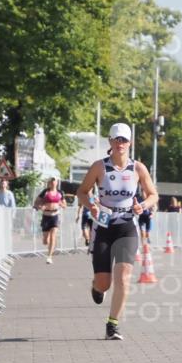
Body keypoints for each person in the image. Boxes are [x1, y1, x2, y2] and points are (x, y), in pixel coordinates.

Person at [76, 123, 157, 341]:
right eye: (116, 139)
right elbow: (82, 192)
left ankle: (112, 324)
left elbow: (153, 195)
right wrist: (91, 205)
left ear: (130, 143)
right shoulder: (99, 167)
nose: (120, 143)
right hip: (103, 227)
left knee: (123, 277)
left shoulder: (138, 168)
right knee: (104, 283)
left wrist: (143, 205)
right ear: (110, 142)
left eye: (124, 140)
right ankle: (96, 287)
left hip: (126, 227)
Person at [33, 177, 64, 264]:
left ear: (57, 183)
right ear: (49, 183)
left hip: (55, 216)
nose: (53, 183)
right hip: (46, 216)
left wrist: (61, 204)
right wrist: (40, 206)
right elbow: (36, 202)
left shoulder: (60, 193)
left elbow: (64, 204)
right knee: (45, 241)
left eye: (55, 182)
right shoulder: (45, 192)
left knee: (53, 236)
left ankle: (49, 256)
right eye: (52, 182)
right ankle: (47, 241)